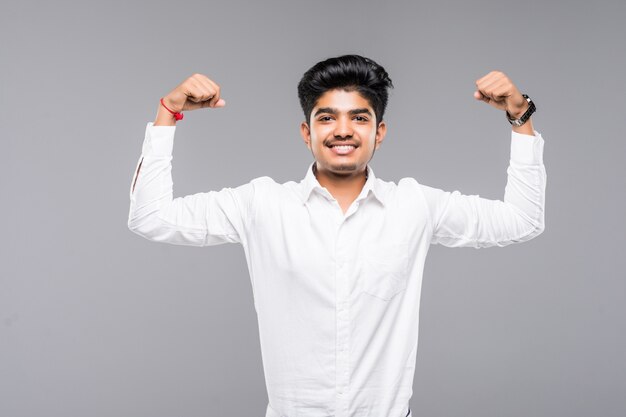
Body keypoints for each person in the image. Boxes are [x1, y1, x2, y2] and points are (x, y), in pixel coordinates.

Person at [127, 55, 546, 417]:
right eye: (327, 117)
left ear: (379, 133)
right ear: (307, 133)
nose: (342, 130)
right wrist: (168, 112)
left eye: (359, 118)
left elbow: (522, 220)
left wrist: (519, 115)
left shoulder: (415, 206)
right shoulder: (262, 204)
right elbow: (151, 217)